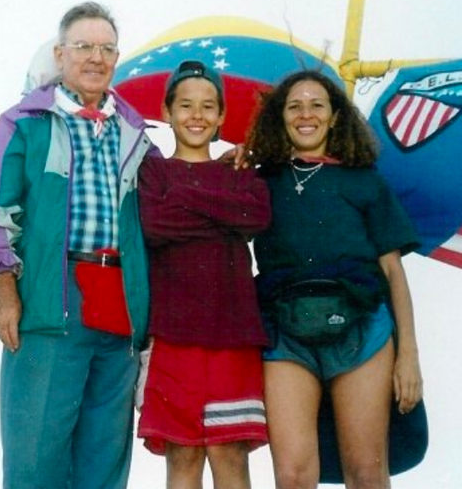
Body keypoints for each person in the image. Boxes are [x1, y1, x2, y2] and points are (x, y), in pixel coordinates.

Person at [0, 1, 159, 489]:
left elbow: (167, 212)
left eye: (107, 49)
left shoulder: (136, 135)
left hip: (121, 306)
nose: (96, 57)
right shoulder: (25, 124)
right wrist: (2, 289)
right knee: (35, 459)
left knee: (104, 460)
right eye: (84, 46)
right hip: (51, 298)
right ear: (60, 54)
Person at [245, 70, 424, 489]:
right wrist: (231, 162)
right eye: (295, 106)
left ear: (335, 116)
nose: (306, 114)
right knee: (292, 476)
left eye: (317, 105)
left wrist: (409, 355)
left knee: (366, 472)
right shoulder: (258, 182)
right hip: (284, 335)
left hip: (362, 332)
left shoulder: (366, 180)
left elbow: (394, 272)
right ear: (280, 116)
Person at [136, 60, 272, 489]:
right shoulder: (153, 170)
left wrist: (184, 198)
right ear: (167, 111)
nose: (197, 115)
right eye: (186, 105)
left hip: (233, 332)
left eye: (208, 106)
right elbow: (155, 224)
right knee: (183, 454)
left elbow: (255, 216)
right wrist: (222, 212)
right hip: (172, 333)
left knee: (230, 454)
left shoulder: (239, 170)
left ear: (221, 115)